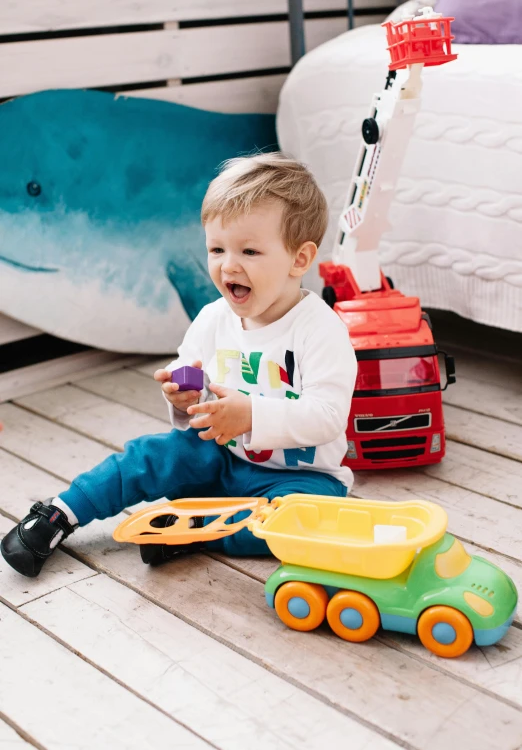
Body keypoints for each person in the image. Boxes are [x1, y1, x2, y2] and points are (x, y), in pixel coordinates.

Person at [1, 152, 357, 578]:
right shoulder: (213, 319)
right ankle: (60, 514)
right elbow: (193, 395)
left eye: (249, 250)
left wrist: (250, 414)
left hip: (302, 478)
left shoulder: (320, 330)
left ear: (299, 259)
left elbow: (329, 417)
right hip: (222, 458)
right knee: (153, 456)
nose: (228, 265)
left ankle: (195, 530)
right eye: (216, 248)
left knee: (301, 523)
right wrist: (184, 397)